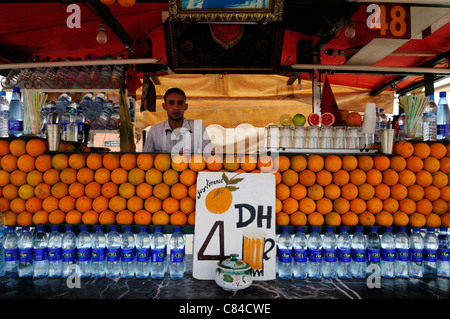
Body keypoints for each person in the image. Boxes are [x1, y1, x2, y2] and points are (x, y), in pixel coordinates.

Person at [143, 88, 213, 156]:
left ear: (185, 107)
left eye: (180, 103)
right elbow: (146, 160)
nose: (176, 107)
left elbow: (211, 156)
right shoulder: (154, 131)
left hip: (190, 168)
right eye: (171, 103)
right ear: (164, 106)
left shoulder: (197, 127)